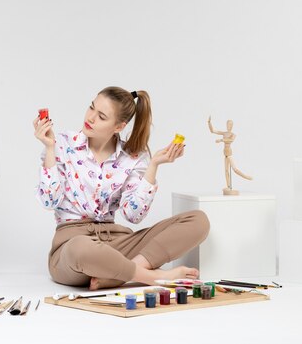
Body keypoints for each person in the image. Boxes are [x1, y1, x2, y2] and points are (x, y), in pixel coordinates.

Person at [34, 87, 210, 290]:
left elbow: (133, 215)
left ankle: (121, 274)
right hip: (72, 250)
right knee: (80, 248)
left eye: (101, 116)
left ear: (119, 126)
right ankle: (151, 277)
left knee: (198, 221)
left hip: (117, 245)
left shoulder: (133, 158)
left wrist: (153, 166)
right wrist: (49, 148)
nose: (90, 118)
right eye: (91, 107)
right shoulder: (62, 144)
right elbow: (49, 201)